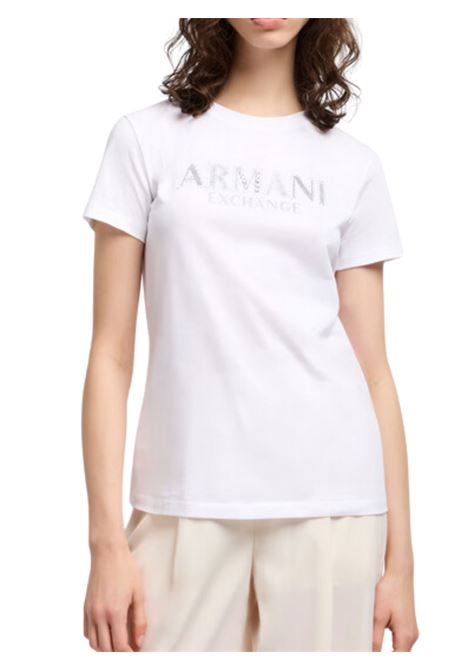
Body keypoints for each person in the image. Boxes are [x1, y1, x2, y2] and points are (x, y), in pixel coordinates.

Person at [80, 18, 419, 652]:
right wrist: (104, 544)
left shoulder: (354, 167)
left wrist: (402, 562)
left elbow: (374, 371)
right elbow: (110, 355)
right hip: (182, 504)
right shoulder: (144, 141)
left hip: (334, 509)